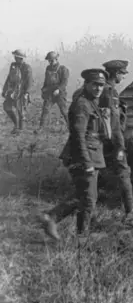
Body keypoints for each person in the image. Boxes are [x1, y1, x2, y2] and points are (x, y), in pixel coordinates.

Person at [37, 69, 111, 240]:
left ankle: (52, 218)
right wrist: (86, 163)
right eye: (95, 85)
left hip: (92, 155)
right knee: (89, 199)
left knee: (84, 196)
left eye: (101, 85)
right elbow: (78, 136)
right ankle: (81, 236)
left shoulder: (93, 102)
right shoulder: (82, 104)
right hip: (82, 157)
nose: (98, 88)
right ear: (86, 84)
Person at [100, 60, 133, 219]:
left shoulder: (102, 89)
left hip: (101, 140)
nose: (123, 77)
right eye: (122, 73)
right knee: (124, 171)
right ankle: (131, 210)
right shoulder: (110, 93)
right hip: (111, 141)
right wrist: (120, 146)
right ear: (115, 73)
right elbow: (114, 123)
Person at [3, 49, 32, 134]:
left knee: (21, 111)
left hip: (22, 91)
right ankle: (16, 125)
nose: (15, 58)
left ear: (21, 58)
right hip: (12, 91)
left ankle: (20, 129)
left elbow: (29, 81)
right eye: (15, 56)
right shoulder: (13, 65)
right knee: (7, 107)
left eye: (17, 57)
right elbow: (9, 78)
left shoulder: (27, 67)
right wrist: (4, 90)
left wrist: (26, 92)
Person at [39, 51, 70, 130]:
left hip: (60, 93)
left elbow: (64, 82)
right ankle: (41, 128)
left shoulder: (63, 69)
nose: (50, 62)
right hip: (50, 93)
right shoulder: (48, 68)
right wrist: (43, 89)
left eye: (52, 60)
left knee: (64, 111)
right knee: (45, 109)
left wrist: (58, 90)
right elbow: (46, 81)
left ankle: (71, 128)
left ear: (56, 59)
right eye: (49, 60)